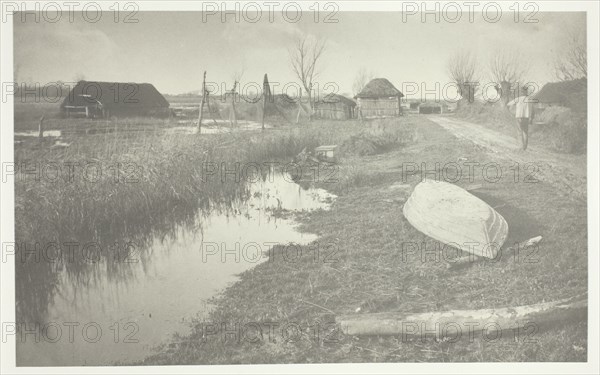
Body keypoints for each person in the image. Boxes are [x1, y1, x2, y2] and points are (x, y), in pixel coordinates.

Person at [507, 86, 536, 151]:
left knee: (519, 131)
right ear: (526, 92)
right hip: (527, 117)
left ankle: (521, 147)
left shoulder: (518, 99)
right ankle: (524, 147)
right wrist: (531, 118)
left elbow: (508, 104)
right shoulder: (530, 100)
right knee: (525, 132)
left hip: (519, 117)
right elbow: (533, 110)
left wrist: (513, 111)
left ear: (521, 92)